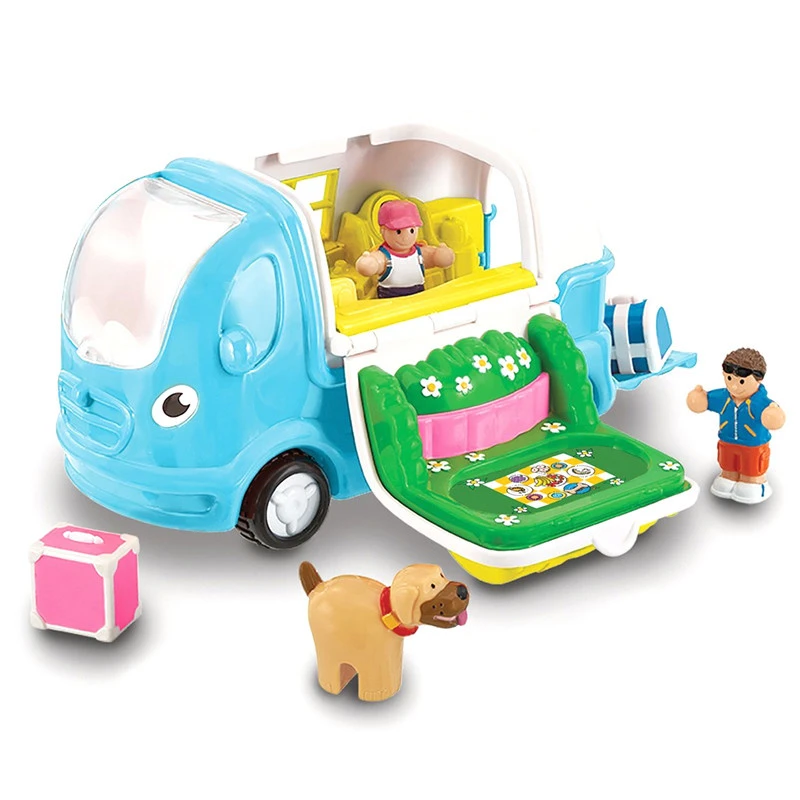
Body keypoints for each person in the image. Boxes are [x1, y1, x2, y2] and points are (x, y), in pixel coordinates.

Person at [686, 347, 785, 504]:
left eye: (741, 381)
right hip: (727, 441)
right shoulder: (724, 397)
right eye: (729, 379)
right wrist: (698, 398)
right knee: (727, 464)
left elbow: (774, 416)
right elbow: (705, 401)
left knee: (751, 467)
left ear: (758, 379)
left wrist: (773, 415)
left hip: (752, 445)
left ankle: (754, 482)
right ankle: (729, 476)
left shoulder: (759, 402)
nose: (734, 386)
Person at [355, 200, 454, 298]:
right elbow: (374, 263)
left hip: (418, 297)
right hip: (391, 300)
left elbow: (433, 257)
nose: (406, 237)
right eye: (398, 232)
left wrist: (441, 255)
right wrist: (369, 264)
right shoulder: (384, 256)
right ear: (383, 230)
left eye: (411, 230)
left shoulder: (419, 252)